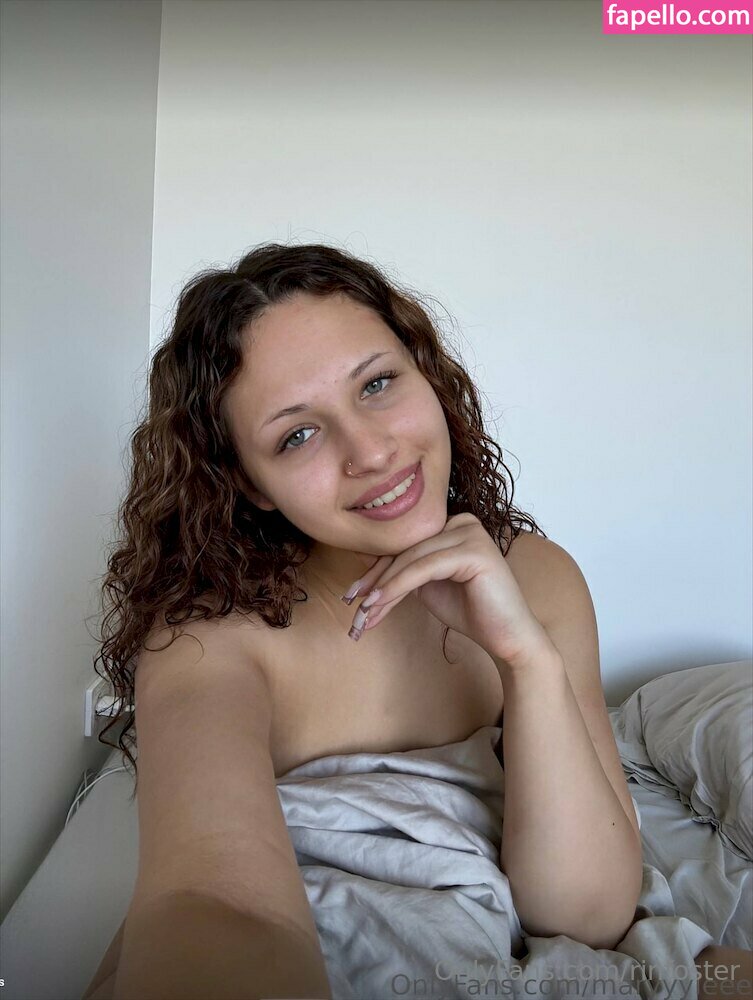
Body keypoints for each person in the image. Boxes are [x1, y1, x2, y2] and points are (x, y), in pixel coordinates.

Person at [82, 244, 752, 1000]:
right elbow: (214, 902)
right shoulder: (209, 644)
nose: (371, 451)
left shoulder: (536, 577)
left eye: (376, 383)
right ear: (251, 483)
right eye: (297, 435)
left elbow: (588, 915)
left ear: (426, 374)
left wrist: (525, 660)